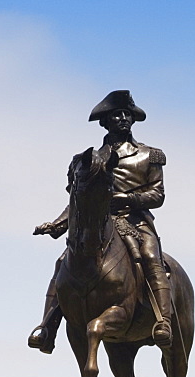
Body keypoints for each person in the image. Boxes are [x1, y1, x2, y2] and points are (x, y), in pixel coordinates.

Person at [29, 90, 173, 351]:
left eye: (126, 114)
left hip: (135, 222)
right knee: (63, 262)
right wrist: (59, 224)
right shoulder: (86, 161)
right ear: (104, 123)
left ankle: (163, 320)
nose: (122, 119)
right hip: (96, 224)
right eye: (116, 115)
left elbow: (157, 194)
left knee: (151, 257)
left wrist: (127, 199)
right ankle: (47, 326)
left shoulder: (150, 154)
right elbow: (77, 200)